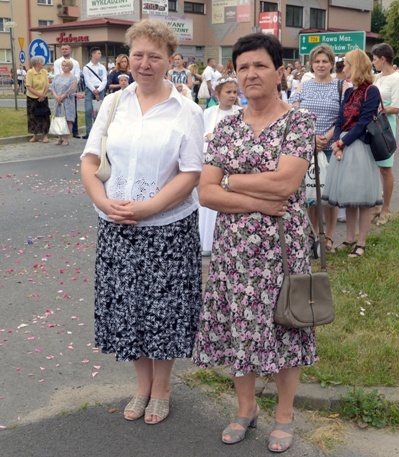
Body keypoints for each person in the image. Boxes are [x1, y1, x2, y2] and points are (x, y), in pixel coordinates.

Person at [192, 32, 317, 453]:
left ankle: (284, 414)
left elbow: (286, 183)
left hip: (282, 250)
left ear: (280, 72)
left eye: (260, 65)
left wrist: (230, 179)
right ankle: (245, 409)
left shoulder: (298, 122)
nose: (251, 74)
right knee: (237, 330)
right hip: (233, 253)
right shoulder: (226, 126)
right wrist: (254, 200)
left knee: (287, 327)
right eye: (243, 67)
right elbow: (205, 193)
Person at [79, 19, 204, 426]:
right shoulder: (115, 103)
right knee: (128, 308)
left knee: (163, 310)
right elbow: (90, 160)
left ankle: (163, 388)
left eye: (155, 56)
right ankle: (141, 384)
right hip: (117, 225)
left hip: (167, 227)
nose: (145, 63)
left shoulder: (187, 110)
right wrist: (102, 199)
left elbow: (190, 173)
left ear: (170, 60)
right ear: (127, 57)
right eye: (138, 55)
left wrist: (150, 208)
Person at [322, 49, 383, 258]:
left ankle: (361, 241)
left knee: (362, 197)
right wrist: (338, 141)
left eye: (347, 64)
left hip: (359, 147)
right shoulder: (348, 92)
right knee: (348, 195)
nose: (343, 68)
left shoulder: (371, 91)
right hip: (345, 146)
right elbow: (340, 119)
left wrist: (342, 142)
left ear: (356, 66)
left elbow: (364, 122)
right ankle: (349, 237)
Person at [289, 44, 348, 252]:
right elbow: (293, 114)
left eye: (325, 61)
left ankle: (329, 237)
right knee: (311, 194)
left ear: (331, 63)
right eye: (317, 61)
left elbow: (345, 117)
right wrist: (311, 136)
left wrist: (327, 137)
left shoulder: (341, 86)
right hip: (307, 145)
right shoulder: (303, 85)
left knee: (329, 196)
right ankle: (314, 236)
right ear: (311, 64)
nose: (321, 65)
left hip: (332, 145)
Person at [199, 76, 241, 256]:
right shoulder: (209, 113)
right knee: (209, 203)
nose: (232, 96)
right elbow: (200, 133)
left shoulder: (240, 112)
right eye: (228, 92)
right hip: (211, 162)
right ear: (217, 94)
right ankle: (207, 241)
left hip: (230, 163)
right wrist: (208, 136)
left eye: (234, 92)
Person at [371, 43, 399, 225]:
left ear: (383, 59)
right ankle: (376, 204)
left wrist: (378, 110)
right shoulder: (378, 78)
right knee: (374, 167)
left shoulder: (396, 79)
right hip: (374, 124)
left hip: (385, 126)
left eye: (375, 59)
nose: (373, 62)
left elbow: (396, 107)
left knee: (385, 168)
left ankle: (386, 208)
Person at [53, 44, 81, 138]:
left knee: (71, 113)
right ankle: (59, 135)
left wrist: (70, 85)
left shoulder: (75, 62)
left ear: (70, 50)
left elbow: (77, 76)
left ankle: (74, 131)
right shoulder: (57, 62)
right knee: (59, 115)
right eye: (63, 49)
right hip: (59, 89)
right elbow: (56, 76)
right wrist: (57, 95)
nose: (64, 50)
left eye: (66, 49)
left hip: (70, 92)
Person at [50, 59, 77, 146]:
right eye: (62, 65)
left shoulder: (72, 78)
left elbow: (71, 89)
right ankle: (59, 137)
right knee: (58, 118)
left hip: (67, 101)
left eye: (65, 66)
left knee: (67, 119)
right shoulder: (57, 76)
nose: (63, 67)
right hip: (57, 101)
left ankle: (66, 138)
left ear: (70, 67)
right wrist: (56, 96)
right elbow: (52, 87)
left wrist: (62, 96)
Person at [82, 47, 108, 139]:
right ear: (93, 54)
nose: (100, 55)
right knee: (88, 110)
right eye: (98, 53)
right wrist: (94, 90)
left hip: (100, 89)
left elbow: (104, 80)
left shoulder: (102, 67)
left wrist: (99, 89)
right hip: (90, 90)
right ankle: (89, 132)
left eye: (100, 53)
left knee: (99, 111)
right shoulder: (87, 67)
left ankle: (99, 132)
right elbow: (87, 81)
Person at [25, 56, 51, 143]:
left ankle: (45, 136)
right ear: (37, 63)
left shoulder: (44, 72)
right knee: (33, 116)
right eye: (41, 62)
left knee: (44, 116)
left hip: (43, 97)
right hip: (32, 98)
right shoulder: (30, 72)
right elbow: (29, 86)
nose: (43, 64)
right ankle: (35, 135)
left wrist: (43, 95)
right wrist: (39, 95)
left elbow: (47, 85)